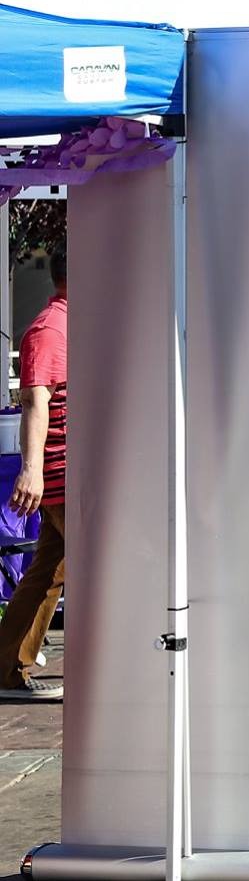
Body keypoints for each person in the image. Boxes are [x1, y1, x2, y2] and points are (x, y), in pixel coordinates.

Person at [0, 252, 68, 700]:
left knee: (49, 571)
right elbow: (34, 401)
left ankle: (8, 667)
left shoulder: (72, 323)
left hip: (70, 473)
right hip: (63, 473)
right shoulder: (49, 328)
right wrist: (31, 470)